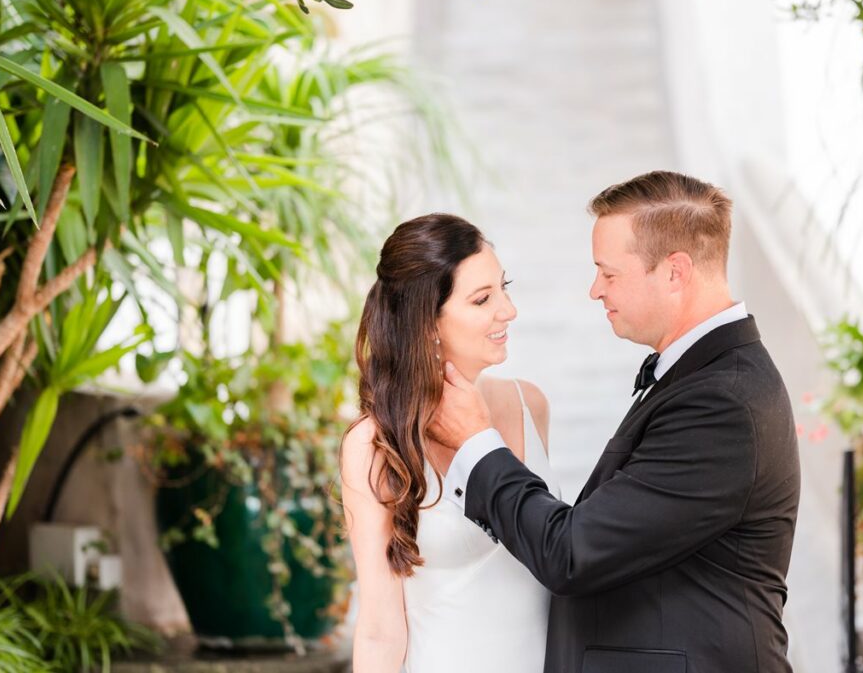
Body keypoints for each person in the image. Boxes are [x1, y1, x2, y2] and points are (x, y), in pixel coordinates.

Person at [429, 171, 801, 673]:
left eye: (608, 273)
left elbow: (573, 552)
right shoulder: (708, 378)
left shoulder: (722, 401)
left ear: (675, 272)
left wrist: (476, 444)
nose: (594, 290)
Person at [340, 213, 560, 673]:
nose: (508, 309)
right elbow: (381, 629)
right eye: (482, 299)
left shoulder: (529, 404)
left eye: (504, 286)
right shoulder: (376, 444)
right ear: (428, 324)